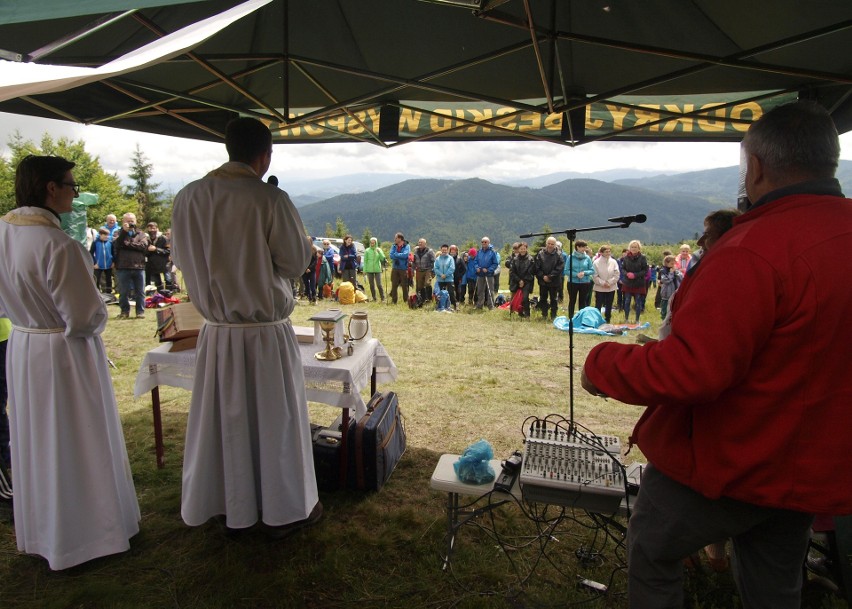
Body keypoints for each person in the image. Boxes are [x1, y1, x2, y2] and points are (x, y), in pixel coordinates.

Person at [581, 101, 852, 609]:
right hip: (814, 466)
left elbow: (694, 370)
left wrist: (602, 364)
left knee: (655, 546)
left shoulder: (755, 248)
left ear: (755, 167)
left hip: (736, 460)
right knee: (775, 585)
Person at [171, 117, 321, 535]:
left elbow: (182, 259)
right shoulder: (269, 199)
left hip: (217, 331)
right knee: (275, 421)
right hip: (262, 331)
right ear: (265, 155)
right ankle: (280, 509)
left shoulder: (188, 197)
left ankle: (223, 501)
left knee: (222, 422)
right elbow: (295, 262)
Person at [0, 155, 140, 569]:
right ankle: (86, 534)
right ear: (50, 188)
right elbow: (84, 317)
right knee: (76, 437)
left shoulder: (3, 232)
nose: (74, 193)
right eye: (72, 185)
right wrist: (100, 312)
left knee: (36, 437)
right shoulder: (59, 245)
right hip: (64, 353)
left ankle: (44, 526)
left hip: (25, 347)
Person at [113, 212, 149, 319]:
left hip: (139, 266)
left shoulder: (141, 234)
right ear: (123, 222)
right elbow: (117, 244)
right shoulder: (118, 233)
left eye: (132, 220)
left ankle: (140, 312)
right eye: (128, 221)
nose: (130, 222)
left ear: (136, 221)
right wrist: (124, 232)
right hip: (123, 266)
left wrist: (127, 244)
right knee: (123, 292)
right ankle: (124, 312)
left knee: (140, 291)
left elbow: (143, 246)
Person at [535, 236, 564, 321]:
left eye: (552, 244)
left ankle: (553, 316)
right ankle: (544, 314)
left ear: (555, 245)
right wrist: (543, 276)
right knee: (543, 298)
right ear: (546, 244)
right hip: (543, 281)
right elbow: (537, 267)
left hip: (554, 281)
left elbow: (560, 267)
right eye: (549, 243)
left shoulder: (559, 254)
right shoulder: (540, 254)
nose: (550, 245)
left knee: (554, 299)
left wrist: (550, 276)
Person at [620, 239, 648, 323]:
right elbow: (622, 268)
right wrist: (627, 274)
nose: (634, 248)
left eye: (635, 247)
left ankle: (637, 320)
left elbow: (645, 270)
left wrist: (635, 275)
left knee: (638, 302)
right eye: (632, 247)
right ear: (629, 248)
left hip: (639, 283)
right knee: (627, 301)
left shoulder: (643, 258)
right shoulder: (625, 258)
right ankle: (626, 319)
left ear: (639, 248)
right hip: (628, 282)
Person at [566, 239, 595, 317]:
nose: (584, 249)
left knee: (582, 301)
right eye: (582, 247)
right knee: (572, 301)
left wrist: (584, 273)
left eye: (585, 247)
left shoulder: (587, 258)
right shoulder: (570, 257)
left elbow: (592, 270)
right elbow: (566, 271)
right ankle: (571, 318)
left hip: (585, 282)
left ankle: (581, 318)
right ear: (577, 247)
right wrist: (576, 274)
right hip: (572, 282)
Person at [592, 244, 619, 323]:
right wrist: (603, 283)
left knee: (609, 304)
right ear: (601, 253)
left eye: (609, 251)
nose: (608, 253)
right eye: (606, 252)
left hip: (611, 287)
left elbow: (617, 274)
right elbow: (594, 275)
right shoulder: (596, 263)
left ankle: (608, 319)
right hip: (600, 287)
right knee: (598, 304)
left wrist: (610, 282)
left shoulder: (614, 262)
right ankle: (597, 320)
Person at [508, 241, 535, 317]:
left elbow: (531, 272)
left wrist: (523, 281)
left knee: (525, 298)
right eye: (521, 249)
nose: (522, 250)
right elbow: (512, 271)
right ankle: (512, 312)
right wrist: (519, 280)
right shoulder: (515, 259)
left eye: (524, 249)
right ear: (518, 249)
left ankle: (526, 314)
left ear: (526, 249)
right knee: (514, 298)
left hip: (527, 282)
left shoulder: (531, 259)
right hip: (516, 281)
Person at [145, 221, 170, 291]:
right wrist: (148, 250)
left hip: (163, 263)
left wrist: (156, 249)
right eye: (150, 228)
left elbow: (168, 251)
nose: (152, 230)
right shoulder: (146, 239)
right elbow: (144, 252)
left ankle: (169, 293)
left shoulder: (163, 238)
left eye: (153, 228)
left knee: (168, 279)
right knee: (157, 281)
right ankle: (160, 294)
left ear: (157, 229)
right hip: (152, 264)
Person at [474, 236, 498, 310]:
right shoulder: (479, 252)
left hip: (489, 274)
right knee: (480, 290)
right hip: (480, 274)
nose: (484, 243)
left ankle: (491, 306)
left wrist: (488, 270)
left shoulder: (492, 252)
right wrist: (477, 267)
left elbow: (495, 263)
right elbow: (475, 261)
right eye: (482, 242)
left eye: (485, 242)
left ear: (488, 243)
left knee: (490, 291)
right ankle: (479, 305)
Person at [657, 255, 682, 320]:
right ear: (666, 263)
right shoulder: (663, 271)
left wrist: (676, 273)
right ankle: (664, 321)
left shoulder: (675, 270)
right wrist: (671, 273)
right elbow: (666, 280)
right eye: (671, 263)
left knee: (674, 310)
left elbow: (681, 278)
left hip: (675, 293)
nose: (673, 265)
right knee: (665, 310)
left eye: (674, 263)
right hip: (667, 294)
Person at [90, 227, 114, 294]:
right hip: (98, 265)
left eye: (107, 235)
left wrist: (113, 261)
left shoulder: (110, 242)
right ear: (100, 234)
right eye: (105, 235)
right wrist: (94, 263)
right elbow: (91, 253)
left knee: (109, 279)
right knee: (97, 279)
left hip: (109, 264)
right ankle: (97, 293)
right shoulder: (95, 242)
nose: (107, 236)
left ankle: (109, 292)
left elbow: (113, 252)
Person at [389, 232, 410, 305]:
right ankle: (394, 301)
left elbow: (405, 255)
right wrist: (398, 255)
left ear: (400, 239)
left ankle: (406, 300)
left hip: (403, 268)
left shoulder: (407, 246)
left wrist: (396, 254)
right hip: (395, 268)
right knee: (394, 285)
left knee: (404, 285)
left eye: (396, 238)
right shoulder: (393, 246)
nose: (394, 239)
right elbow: (391, 255)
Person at [412, 238, 436, 305]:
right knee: (420, 286)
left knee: (427, 283)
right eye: (419, 242)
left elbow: (434, 261)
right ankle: (423, 299)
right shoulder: (416, 251)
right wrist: (412, 269)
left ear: (425, 244)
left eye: (421, 243)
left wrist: (431, 270)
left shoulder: (430, 251)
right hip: (419, 270)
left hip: (428, 270)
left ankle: (429, 299)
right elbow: (414, 261)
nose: (420, 244)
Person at [362, 237, 386, 302]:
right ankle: (374, 298)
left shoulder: (379, 249)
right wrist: (364, 270)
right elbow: (365, 261)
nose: (372, 244)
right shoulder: (367, 250)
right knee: (371, 285)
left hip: (377, 269)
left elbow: (383, 258)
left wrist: (379, 252)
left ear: (376, 243)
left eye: (373, 243)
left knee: (379, 284)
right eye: (371, 242)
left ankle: (383, 298)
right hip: (369, 270)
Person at [433, 244, 456, 310]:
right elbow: (435, 268)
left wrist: (446, 275)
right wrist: (441, 275)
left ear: (447, 250)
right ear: (441, 250)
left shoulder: (450, 258)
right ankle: (439, 306)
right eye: (443, 250)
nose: (444, 251)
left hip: (449, 279)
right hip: (440, 279)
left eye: (445, 250)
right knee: (439, 293)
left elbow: (452, 268)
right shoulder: (437, 259)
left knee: (451, 293)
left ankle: (454, 305)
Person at [302, 239, 319, 305]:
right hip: (304, 271)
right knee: (306, 285)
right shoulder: (302, 249)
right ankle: (310, 298)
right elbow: (301, 260)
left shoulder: (314, 250)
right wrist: (305, 268)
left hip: (312, 270)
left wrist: (310, 268)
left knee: (312, 285)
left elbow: (315, 261)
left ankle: (314, 298)